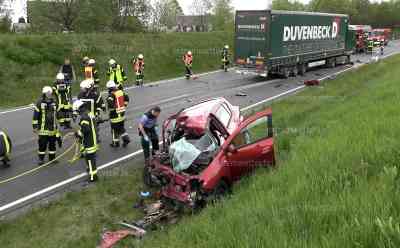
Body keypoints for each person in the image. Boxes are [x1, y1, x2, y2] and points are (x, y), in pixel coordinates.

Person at [32, 86, 62, 165]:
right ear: (44, 93)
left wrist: (60, 122)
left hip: (53, 129)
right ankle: (41, 159)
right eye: (47, 93)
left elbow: (58, 114)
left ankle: (52, 159)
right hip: (43, 129)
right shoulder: (39, 103)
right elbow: (35, 116)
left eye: (50, 93)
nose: (49, 94)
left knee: (52, 145)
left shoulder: (54, 102)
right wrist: (35, 127)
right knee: (42, 145)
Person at [73, 100, 99, 183]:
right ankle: (91, 171)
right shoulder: (89, 113)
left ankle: (93, 177)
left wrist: (78, 134)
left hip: (89, 141)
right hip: (94, 139)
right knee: (90, 158)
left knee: (90, 159)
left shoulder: (84, 117)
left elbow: (85, 130)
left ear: (78, 109)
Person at [106, 80, 130, 148]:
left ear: (109, 88)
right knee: (121, 128)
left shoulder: (111, 95)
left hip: (114, 116)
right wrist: (124, 105)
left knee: (114, 130)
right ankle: (126, 139)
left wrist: (114, 107)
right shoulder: (121, 92)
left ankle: (115, 143)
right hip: (122, 115)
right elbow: (127, 98)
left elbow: (110, 103)